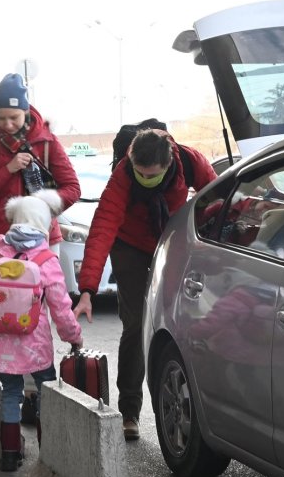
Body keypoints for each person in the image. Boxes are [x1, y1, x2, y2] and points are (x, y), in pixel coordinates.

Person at [72, 129, 217, 440]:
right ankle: (129, 411)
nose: (143, 178)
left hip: (172, 240)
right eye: (139, 172)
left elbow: (218, 198)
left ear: (167, 165)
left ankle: (191, 409)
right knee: (137, 323)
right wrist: (87, 290)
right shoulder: (123, 176)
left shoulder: (190, 162)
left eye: (151, 175)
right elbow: (102, 230)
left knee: (181, 321)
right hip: (130, 247)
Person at [0, 189, 83, 472]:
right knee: (46, 392)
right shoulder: (45, 260)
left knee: (10, 392)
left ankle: (9, 454)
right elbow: (60, 307)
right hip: (35, 344)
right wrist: (74, 337)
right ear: (44, 224)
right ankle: (48, 455)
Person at [0, 73, 81, 269]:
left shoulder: (47, 140)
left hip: (42, 240)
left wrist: (40, 207)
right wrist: (8, 169)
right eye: (1, 118)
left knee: (45, 297)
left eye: (14, 117)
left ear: (25, 111)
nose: (7, 124)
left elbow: (73, 188)